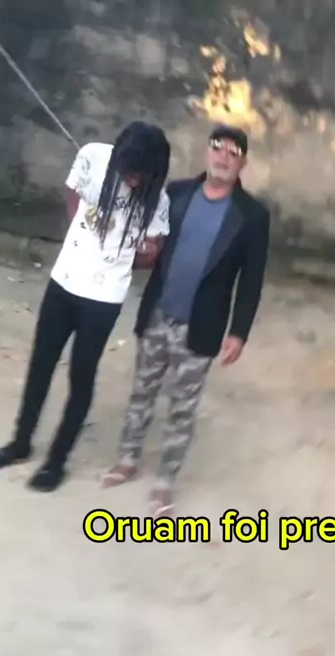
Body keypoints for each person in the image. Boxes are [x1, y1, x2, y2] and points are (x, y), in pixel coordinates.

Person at [103, 123, 271, 516]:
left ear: (242, 163)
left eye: (233, 152)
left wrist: (239, 332)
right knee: (142, 391)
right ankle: (127, 458)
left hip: (201, 326)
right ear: (207, 152)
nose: (224, 156)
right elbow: (147, 239)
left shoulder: (252, 216)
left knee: (182, 407)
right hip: (158, 314)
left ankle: (165, 481)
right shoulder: (174, 194)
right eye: (218, 147)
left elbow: (252, 279)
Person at [0, 121, 171, 491]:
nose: (131, 180)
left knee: (81, 375)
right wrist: (85, 223)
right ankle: (20, 443)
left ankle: (56, 461)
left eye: (139, 175)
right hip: (63, 281)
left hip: (103, 300)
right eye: (128, 171)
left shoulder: (158, 201)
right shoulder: (92, 156)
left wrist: (133, 252)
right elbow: (73, 191)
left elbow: (151, 253)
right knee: (41, 363)